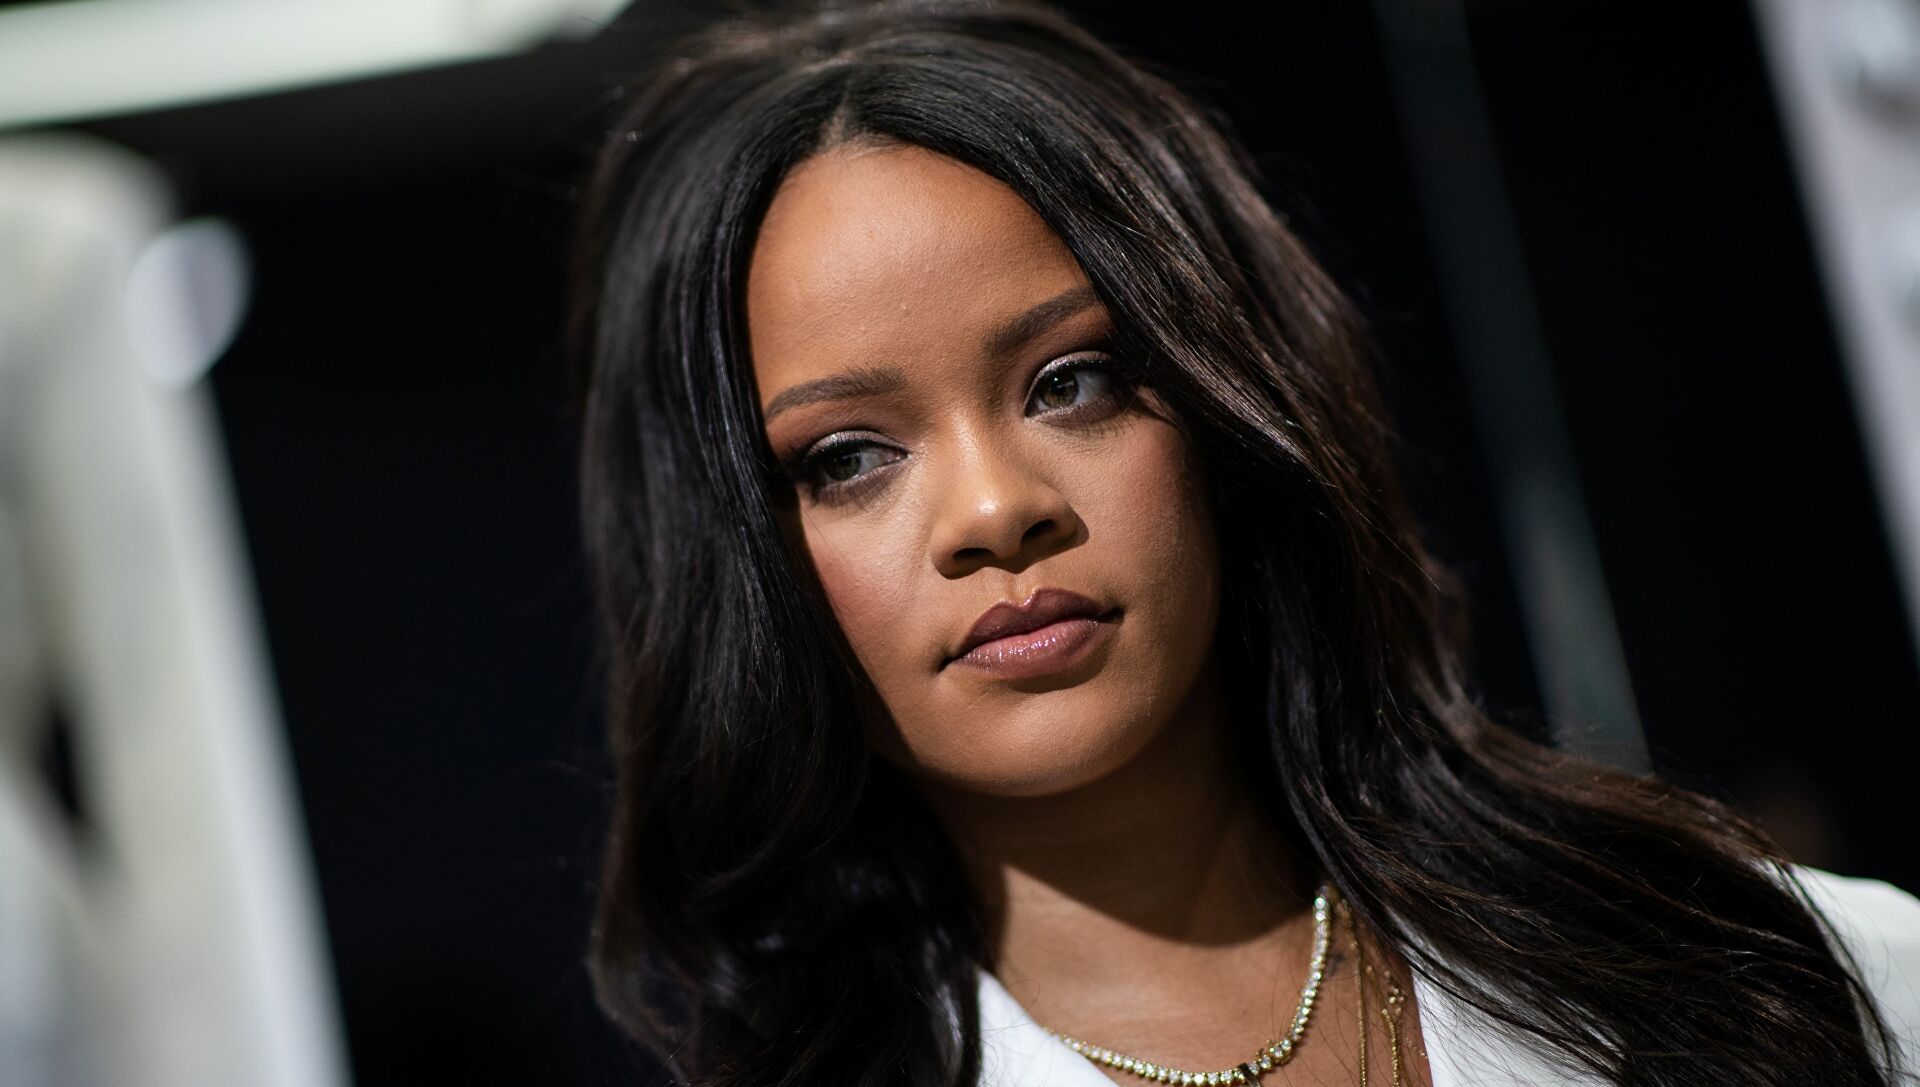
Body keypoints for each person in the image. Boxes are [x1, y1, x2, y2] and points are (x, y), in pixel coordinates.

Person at [567, 2, 1920, 1084]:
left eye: (1071, 382)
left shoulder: (1786, 976)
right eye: (847, 459)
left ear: (1228, 404)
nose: (994, 511)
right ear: (738, 557)